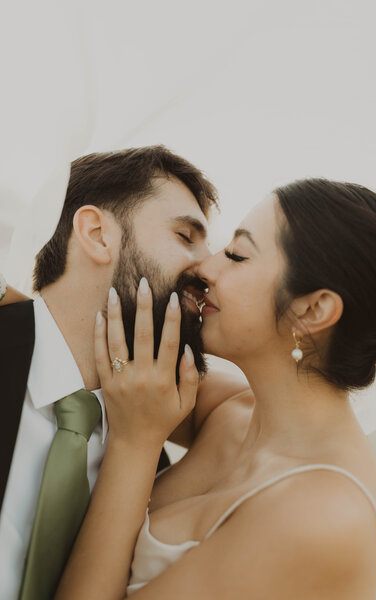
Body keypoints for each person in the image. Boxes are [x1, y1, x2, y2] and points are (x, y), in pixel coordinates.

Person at [55, 178, 376, 600]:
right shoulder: (233, 409)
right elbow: (113, 355)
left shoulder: (322, 517)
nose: (205, 268)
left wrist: (134, 444)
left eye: (237, 255)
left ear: (313, 310)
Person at [0, 146, 250, 600]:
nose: (208, 268)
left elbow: (255, 404)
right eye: (186, 236)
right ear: (97, 234)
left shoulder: (149, 467)